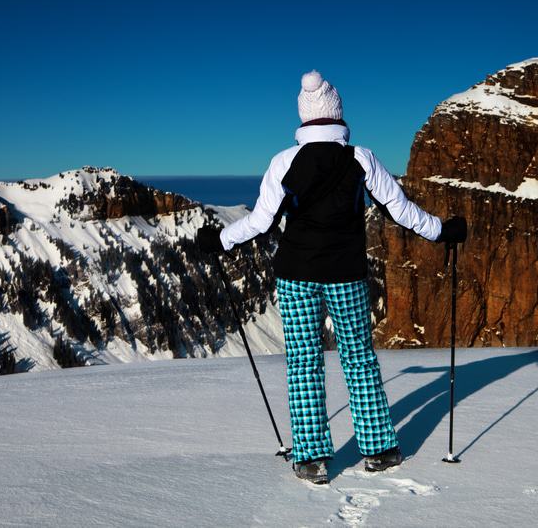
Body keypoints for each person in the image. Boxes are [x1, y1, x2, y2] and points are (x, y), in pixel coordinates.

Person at [196, 70, 467, 485]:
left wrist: (221, 240)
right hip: (348, 275)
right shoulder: (362, 158)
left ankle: (311, 459)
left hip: (297, 275)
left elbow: (261, 222)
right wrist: (443, 231)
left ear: (304, 118)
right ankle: (380, 450)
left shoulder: (284, 162)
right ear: (338, 113)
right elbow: (400, 209)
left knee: (304, 363)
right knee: (358, 358)